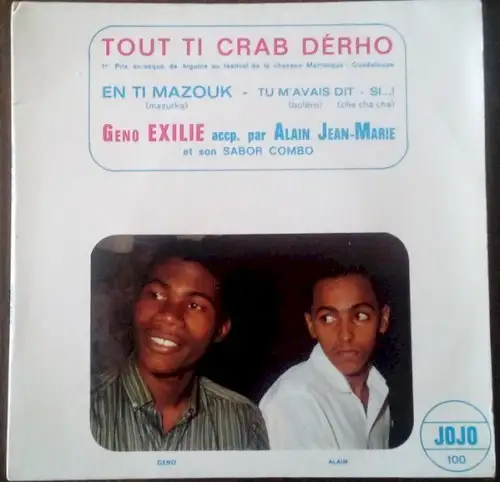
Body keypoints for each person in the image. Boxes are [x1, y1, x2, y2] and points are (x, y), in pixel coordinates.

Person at [91, 243, 269, 451]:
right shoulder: (82, 407)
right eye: (156, 295)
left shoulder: (242, 422)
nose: (169, 315)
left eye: (194, 305)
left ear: (220, 329)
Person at [259, 264, 391, 450]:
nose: (345, 335)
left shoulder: (378, 390)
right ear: (311, 325)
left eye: (360, 316)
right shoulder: (295, 400)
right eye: (328, 318)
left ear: (383, 319)